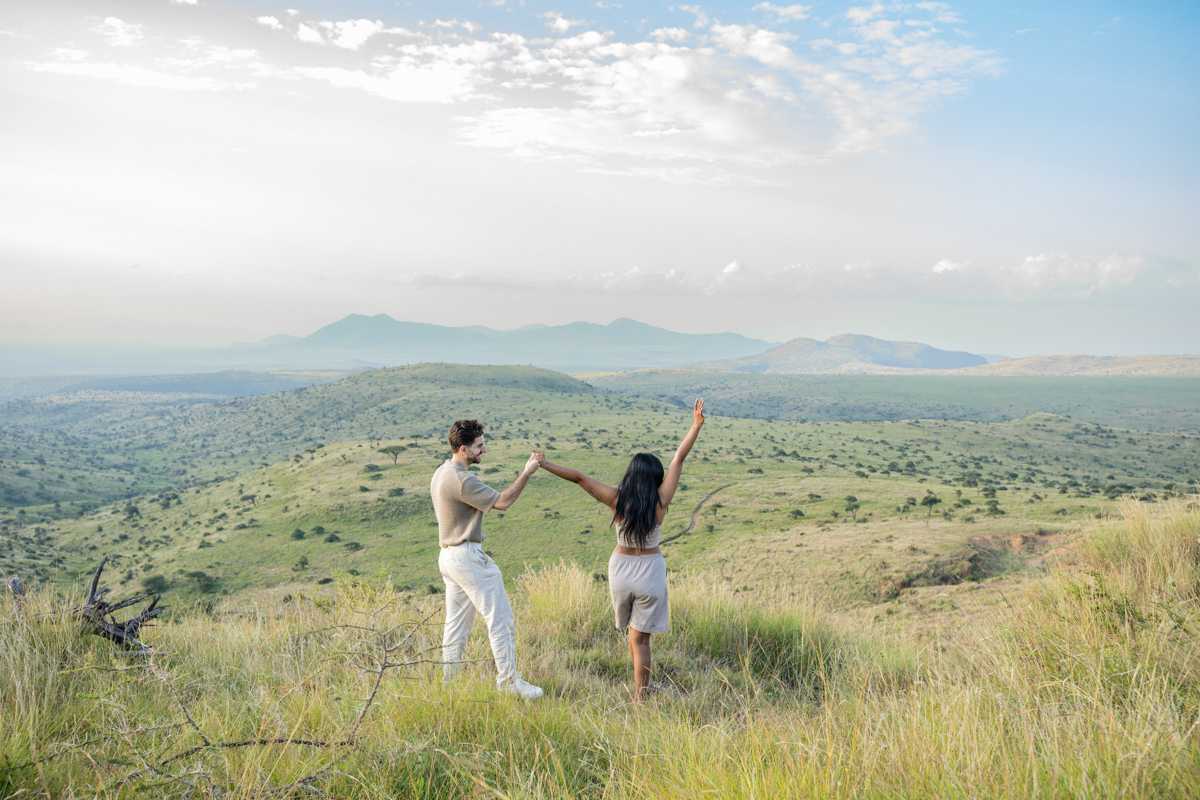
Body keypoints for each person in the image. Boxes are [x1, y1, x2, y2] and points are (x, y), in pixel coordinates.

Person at [536, 399, 705, 700]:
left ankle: (638, 687)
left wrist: (544, 464)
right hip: (650, 573)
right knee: (641, 641)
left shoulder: (616, 498)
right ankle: (642, 696)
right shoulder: (660, 501)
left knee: (631, 634)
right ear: (655, 477)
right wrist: (695, 426)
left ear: (630, 475)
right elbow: (679, 459)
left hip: (621, 571)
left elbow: (577, 476)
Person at [431, 419, 544, 699]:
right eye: (480, 446)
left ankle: (449, 686)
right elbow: (503, 502)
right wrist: (527, 472)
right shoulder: (460, 479)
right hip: (467, 556)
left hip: (448, 556)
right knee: (501, 620)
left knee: (456, 627)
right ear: (463, 448)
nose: (484, 451)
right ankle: (508, 683)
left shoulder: (441, 472)